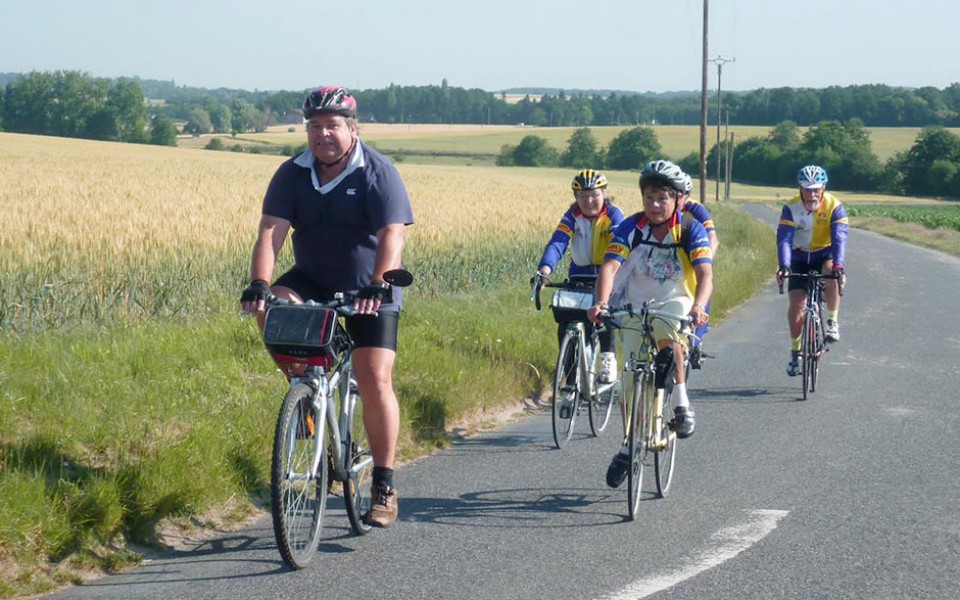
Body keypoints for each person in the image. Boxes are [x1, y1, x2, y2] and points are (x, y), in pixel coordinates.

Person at [240, 86, 414, 528]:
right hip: (312, 279)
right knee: (271, 308)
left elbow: (392, 234)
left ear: (351, 129)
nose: (323, 135)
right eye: (315, 127)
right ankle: (305, 393)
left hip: (369, 285)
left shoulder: (378, 172)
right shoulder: (292, 173)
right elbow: (271, 232)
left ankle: (383, 483)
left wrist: (378, 284)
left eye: (332, 126)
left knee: (374, 377)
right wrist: (260, 281)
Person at [586, 160, 713, 489]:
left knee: (668, 338)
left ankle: (682, 403)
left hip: (675, 300)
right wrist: (600, 303)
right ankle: (630, 445)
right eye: (649, 198)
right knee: (628, 382)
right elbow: (610, 267)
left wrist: (699, 306)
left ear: (675, 199)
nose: (655, 206)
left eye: (662, 199)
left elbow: (704, 274)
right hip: (634, 302)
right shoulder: (631, 227)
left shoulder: (688, 228)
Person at [535, 169, 625, 388]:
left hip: (608, 273)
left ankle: (607, 359)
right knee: (565, 320)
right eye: (582, 196)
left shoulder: (613, 215)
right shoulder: (572, 216)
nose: (589, 201)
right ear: (576, 197)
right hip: (579, 274)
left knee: (604, 312)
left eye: (594, 194)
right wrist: (545, 270)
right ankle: (570, 377)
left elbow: (619, 243)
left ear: (604, 193)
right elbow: (558, 242)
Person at [775, 165, 848, 377]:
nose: (812, 194)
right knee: (797, 304)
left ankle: (832, 321)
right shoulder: (791, 208)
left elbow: (839, 239)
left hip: (823, 254)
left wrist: (839, 267)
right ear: (800, 189)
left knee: (831, 272)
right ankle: (796, 352)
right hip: (798, 257)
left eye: (816, 189)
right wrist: (785, 266)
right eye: (807, 189)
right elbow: (785, 239)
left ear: (823, 188)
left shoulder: (835, 206)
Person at [678, 172, 719, 368]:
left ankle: (696, 341)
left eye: (682, 194)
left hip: (694, 258)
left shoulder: (695, 209)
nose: (678, 199)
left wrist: (704, 261)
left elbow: (713, 238)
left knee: (702, 295)